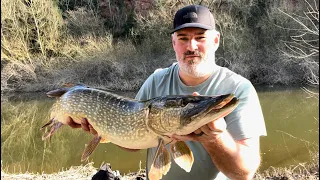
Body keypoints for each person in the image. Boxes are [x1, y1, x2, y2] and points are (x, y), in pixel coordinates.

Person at [67, 4, 267, 180]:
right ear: (174, 43)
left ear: (215, 41)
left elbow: (244, 173)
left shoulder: (239, 89)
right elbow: (134, 142)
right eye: (183, 38)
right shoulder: (156, 81)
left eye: (200, 37)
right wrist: (105, 129)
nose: (191, 46)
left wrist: (215, 138)